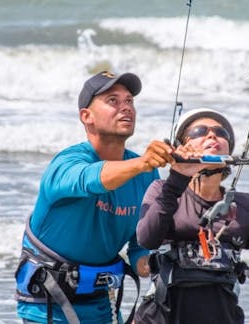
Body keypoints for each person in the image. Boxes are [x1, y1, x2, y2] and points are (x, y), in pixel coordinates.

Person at [14, 71, 175, 324]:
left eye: (129, 101)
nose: (126, 107)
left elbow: (139, 244)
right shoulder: (65, 163)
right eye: (113, 100)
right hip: (48, 306)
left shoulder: (146, 174)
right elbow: (91, 179)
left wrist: (151, 265)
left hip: (103, 304)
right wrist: (141, 163)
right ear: (86, 116)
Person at [135, 108, 249, 324]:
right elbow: (147, 238)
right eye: (199, 131)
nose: (212, 135)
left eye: (221, 132)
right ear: (181, 146)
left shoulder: (246, 205)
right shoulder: (163, 189)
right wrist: (177, 178)